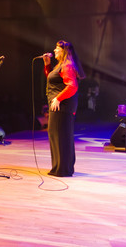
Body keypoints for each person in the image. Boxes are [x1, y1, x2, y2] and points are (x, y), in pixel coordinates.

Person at [41, 40, 84, 177]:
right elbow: (53, 81)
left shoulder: (67, 65)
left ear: (64, 51)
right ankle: (61, 168)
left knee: (60, 136)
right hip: (59, 106)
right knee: (57, 136)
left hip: (62, 107)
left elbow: (72, 86)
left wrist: (58, 98)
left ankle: (62, 169)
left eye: (57, 48)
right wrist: (47, 64)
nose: (54, 51)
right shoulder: (61, 65)